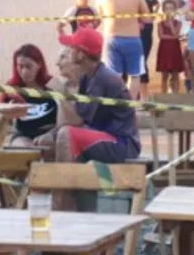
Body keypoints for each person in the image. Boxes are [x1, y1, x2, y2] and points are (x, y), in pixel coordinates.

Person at [53, 28, 143, 212]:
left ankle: (62, 205)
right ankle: (73, 203)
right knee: (55, 139)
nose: (69, 52)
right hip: (106, 137)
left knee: (66, 135)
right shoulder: (88, 76)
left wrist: (61, 92)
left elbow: (78, 120)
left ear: (81, 54)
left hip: (123, 143)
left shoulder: (102, 79)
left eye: (72, 48)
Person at [1, 44, 78, 147]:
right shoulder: (12, 88)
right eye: (20, 66)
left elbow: (67, 118)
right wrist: (9, 112)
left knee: (47, 144)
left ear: (39, 64)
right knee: (24, 149)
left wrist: (51, 134)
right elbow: (1, 120)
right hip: (23, 134)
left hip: (51, 132)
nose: (24, 72)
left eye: (29, 66)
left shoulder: (52, 85)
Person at [99, 0, 149, 100]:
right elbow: (147, 18)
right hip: (132, 39)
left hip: (111, 39)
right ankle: (130, 107)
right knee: (135, 75)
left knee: (112, 76)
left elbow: (100, 13)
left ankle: (116, 106)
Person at [133, 0, 159, 99]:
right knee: (140, 62)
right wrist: (137, 22)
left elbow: (157, 4)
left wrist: (153, 16)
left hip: (149, 30)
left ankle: (140, 95)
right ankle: (143, 96)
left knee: (143, 62)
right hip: (138, 32)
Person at [156, 0, 186, 94]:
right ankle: (163, 94)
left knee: (175, 74)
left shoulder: (178, 23)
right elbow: (161, 36)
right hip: (164, 49)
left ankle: (175, 94)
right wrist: (173, 37)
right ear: (163, 10)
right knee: (164, 75)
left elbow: (176, 34)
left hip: (174, 50)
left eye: (171, 8)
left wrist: (171, 24)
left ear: (175, 10)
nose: (169, 11)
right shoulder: (160, 23)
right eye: (167, 8)